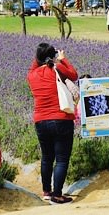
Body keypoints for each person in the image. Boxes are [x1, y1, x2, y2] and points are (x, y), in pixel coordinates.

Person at [27, 43, 78, 204]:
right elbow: (74, 75)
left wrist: (43, 56)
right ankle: (57, 194)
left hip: (41, 120)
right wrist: (63, 59)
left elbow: (36, 62)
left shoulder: (32, 74)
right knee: (62, 159)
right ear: (52, 56)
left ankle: (46, 192)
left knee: (46, 157)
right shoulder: (57, 68)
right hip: (61, 118)